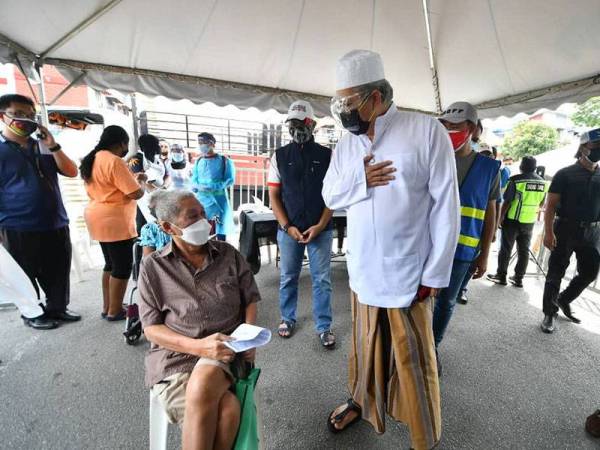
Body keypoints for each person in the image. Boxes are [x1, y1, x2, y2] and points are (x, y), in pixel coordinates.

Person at [323, 50, 460, 450]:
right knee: (364, 346)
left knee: (412, 357)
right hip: (363, 269)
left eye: (349, 101)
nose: (343, 110)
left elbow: (445, 207)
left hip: (409, 273)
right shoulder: (346, 146)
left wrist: (435, 275)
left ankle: (423, 433)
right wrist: (360, 180)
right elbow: (331, 194)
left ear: (376, 97)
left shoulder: (424, 131)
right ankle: (360, 402)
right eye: (340, 101)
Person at [138, 190, 261, 450]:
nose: (203, 221)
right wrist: (198, 347)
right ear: (168, 227)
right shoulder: (153, 268)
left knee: (206, 379)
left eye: (203, 213)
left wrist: (248, 335)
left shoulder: (228, 254)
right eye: (192, 217)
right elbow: (151, 329)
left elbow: (250, 298)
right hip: (176, 359)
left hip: (226, 350)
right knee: (228, 412)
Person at [0, 93, 80, 329]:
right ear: (3, 116)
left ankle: (58, 308)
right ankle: (33, 313)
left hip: (55, 221)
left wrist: (52, 144)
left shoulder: (42, 147)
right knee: (25, 273)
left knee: (58, 269)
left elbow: (71, 171)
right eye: (18, 114)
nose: (26, 119)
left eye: (30, 115)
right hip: (17, 225)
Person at [433, 102, 500, 352]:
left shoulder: (489, 168)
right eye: (446, 126)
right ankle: (414, 345)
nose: (449, 131)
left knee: (446, 301)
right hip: (429, 243)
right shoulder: (434, 158)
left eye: (456, 126)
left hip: (463, 249)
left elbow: (490, 213)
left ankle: (432, 347)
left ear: (472, 129)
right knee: (418, 298)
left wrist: (484, 256)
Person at [267, 100, 335, 348]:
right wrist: (287, 226)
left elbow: (332, 196)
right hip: (289, 230)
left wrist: (320, 225)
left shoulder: (328, 156)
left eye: (302, 123)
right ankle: (287, 318)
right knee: (288, 277)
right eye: (292, 124)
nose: (296, 129)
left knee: (322, 279)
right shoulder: (279, 156)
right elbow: (274, 196)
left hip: (321, 229)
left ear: (312, 124)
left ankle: (324, 326)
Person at [81, 125, 147, 321]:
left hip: (97, 216)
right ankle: (115, 311)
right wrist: (140, 182)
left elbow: (111, 185)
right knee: (122, 266)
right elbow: (135, 192)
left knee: (110, 264)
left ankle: (108, 305)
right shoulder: (115, 161)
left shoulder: (93, 158)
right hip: (115, 220)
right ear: (122, 143)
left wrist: (132, 179)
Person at [540, 128, 600, 333]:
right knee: (555, 272)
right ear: (583, 147)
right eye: (596, 146)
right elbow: (551, 206)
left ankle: (563, 299)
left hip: (592, 233)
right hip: (565, 228)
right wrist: (549, 232)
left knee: (590, 273)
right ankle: (549, 313)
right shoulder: (565, 174)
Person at [487, 156, 547, 287]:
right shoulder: (543, 182)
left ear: (522, 166)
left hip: (513, 220)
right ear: (534, 167)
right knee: (524, 250)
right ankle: (518, 278)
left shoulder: (516, 180)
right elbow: (542, 203)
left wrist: (500, 218)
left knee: (506, 248)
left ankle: (501, 276)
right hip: (529, 221)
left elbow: (507, 201)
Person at [191, 132, 235, 241]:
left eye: (204, 142)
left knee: (220, 227)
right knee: (202, 227)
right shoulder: (198, 161)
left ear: (212, 144)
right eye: (200, 142)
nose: (202, 145)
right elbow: (194, 179)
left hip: (218, 201)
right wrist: (196, 186)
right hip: (202, 200)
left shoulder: (225, 161)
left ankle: (221, 251)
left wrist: (214, 187)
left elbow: (230, 179)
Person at [140, 191, 172, 257]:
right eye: (150, 209)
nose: (151, 212)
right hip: (159, 264)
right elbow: (148, 259)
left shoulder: (178, 224)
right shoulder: (149, 228)